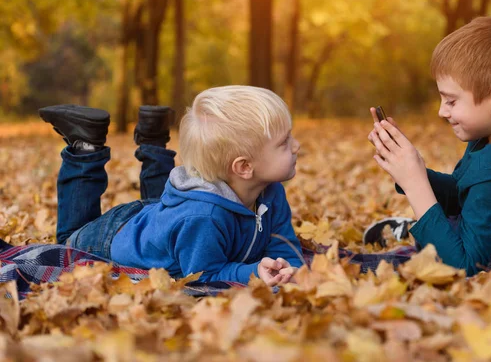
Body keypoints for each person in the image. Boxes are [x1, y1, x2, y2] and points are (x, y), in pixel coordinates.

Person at [365, 17, 491, 276]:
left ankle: (418, 226)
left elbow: (462, 266)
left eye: (451, 101)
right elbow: (463, 193)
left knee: (439, 234)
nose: (441, 111)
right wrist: (410, 169)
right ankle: (425, 223)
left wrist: (415, 184)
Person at [39, 85, 303, 286]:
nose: (296, 146)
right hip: (111, 237)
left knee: (174, 220)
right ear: (244, 167)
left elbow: (283, 244)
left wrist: (290, 269)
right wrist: (252, 273)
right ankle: (85, 146)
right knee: (68, 243)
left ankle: (153, 139)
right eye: (284, 143)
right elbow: (203, 275)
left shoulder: (269, 191)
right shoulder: (204, 219)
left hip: (162, 220)